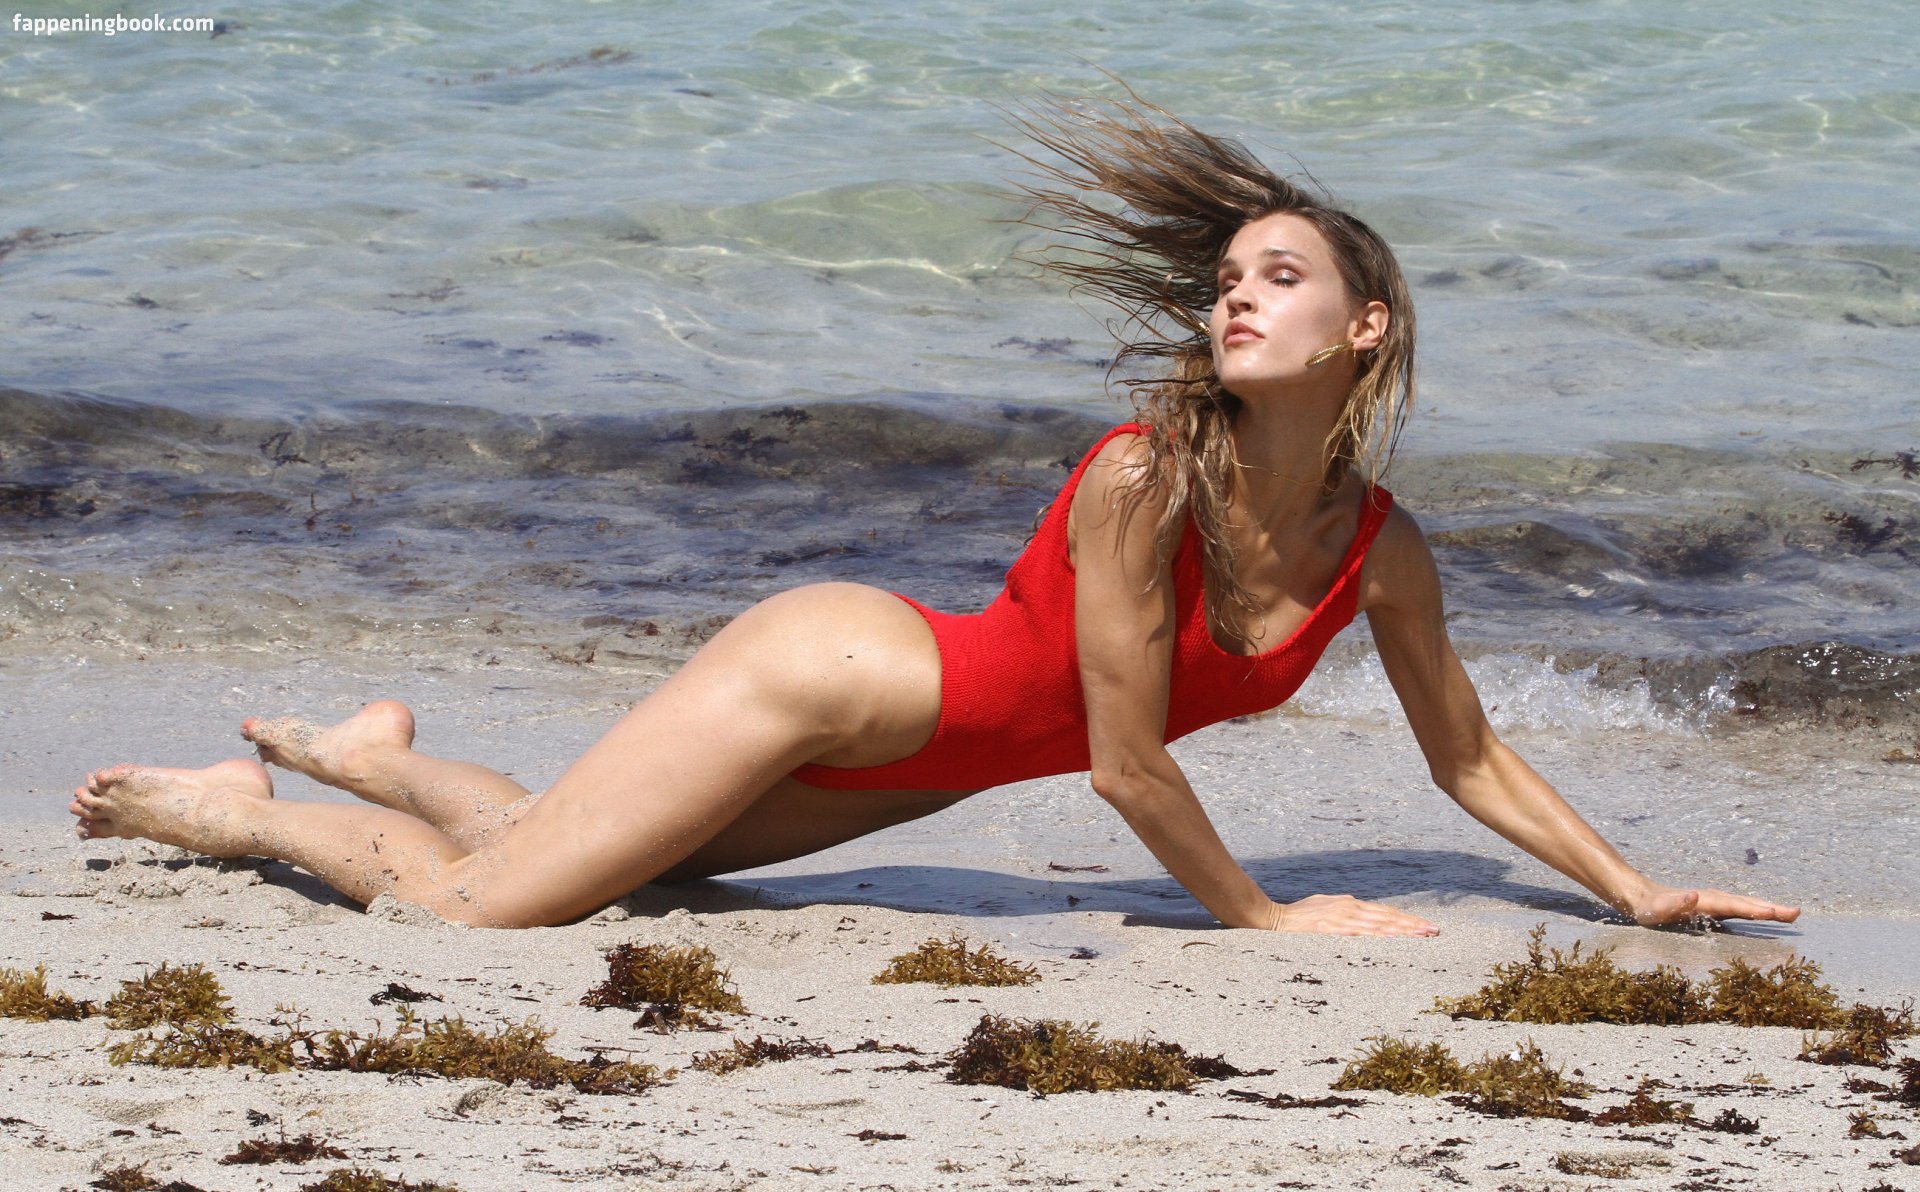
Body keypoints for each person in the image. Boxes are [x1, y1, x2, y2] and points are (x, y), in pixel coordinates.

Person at [68, 95, 1800, 936]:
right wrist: (1267, 920)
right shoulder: (1143, 477)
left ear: (1368, 328)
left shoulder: (1382, 551)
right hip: (830, 679)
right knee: (481, 916)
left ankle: (363, 754)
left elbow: (1467, 753)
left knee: (613, 861)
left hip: (928, 763)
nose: (1234, 295)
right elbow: (1125, 764)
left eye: (1281, 275)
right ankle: (232, 812)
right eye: (1224, 276)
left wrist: (1633, 887)